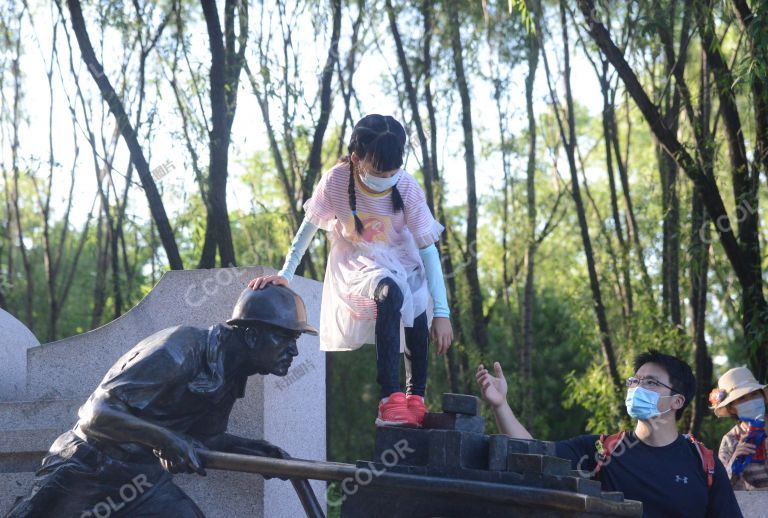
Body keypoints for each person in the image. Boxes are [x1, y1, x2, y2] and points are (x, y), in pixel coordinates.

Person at [7, 285, 318, 517]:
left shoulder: (234, 370)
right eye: (285, 339)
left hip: (139, 480)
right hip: (86, 469)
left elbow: (205, 438)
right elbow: (95, 415)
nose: (293, 351)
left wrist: (256, 450)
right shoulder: (180, 349)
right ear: (251, 336)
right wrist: (167, 440)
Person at [248, 114, 453, 428]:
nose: (387, 176)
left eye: (393, 171)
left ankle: (416, 398)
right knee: (390, 292)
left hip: (403, 257)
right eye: (378, 171)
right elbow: (308, 229)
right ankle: (390, 399)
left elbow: (428, 251)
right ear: (356, 159)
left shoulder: (407, 187)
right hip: (359, 260)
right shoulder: (337, 180)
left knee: (416, 305)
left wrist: (442, 312)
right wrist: (286, 274)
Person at [476, 350, 743, 517]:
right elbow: (533, 453)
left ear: (677, 401)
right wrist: (501, 405)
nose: (637, 388)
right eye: (634, 381)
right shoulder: (602, 451)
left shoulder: (703, 464)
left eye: (650, 382)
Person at [710, 366, 768, 489]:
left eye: (754, 394)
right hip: (751, 506)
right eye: (741, 398)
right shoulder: (730, 440)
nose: (751, 401)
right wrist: (735, 461)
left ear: (763, 397)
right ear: (731, 408)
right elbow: (721, 487)